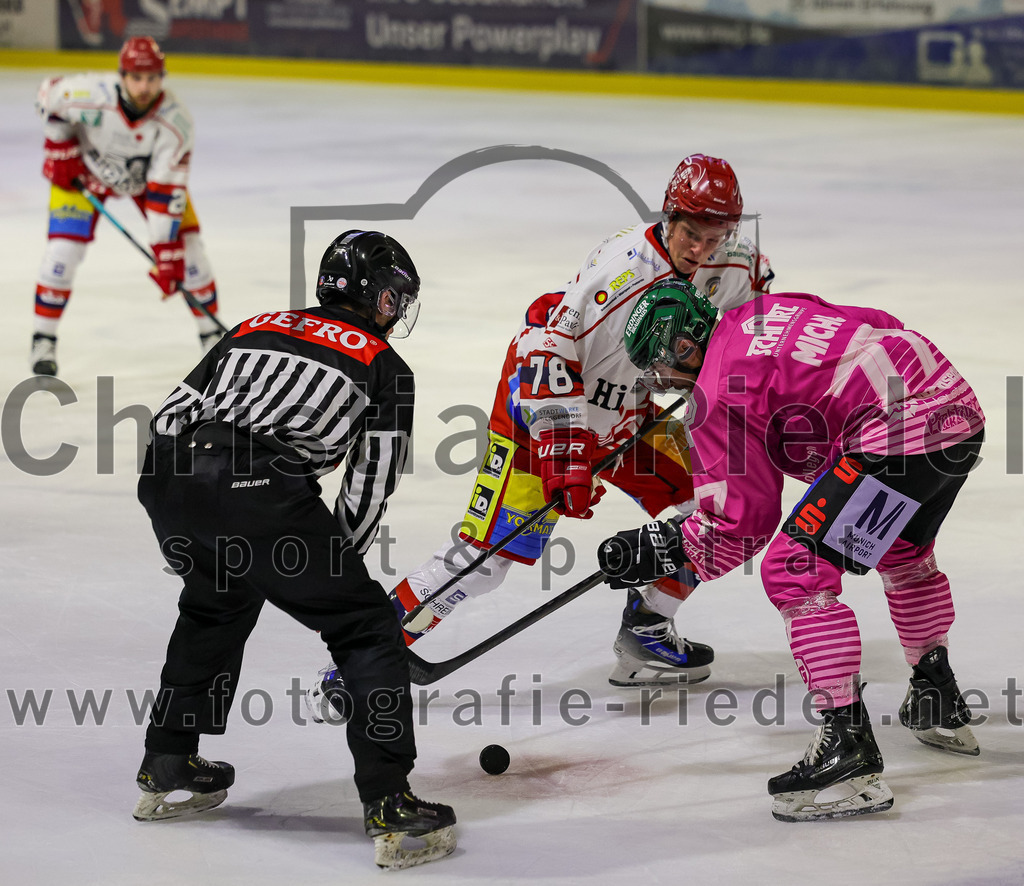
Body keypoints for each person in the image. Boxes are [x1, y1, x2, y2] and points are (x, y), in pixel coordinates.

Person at [305, 154, 773, 718]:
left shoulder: (736, 265)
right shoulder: (622, 269)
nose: (700, 250)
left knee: (720, 508)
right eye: (690, 233)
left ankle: (648, 626)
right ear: (668, 215)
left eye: (715, 236)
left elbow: (754, 325)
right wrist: (565, 454)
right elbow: (542, 349)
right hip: (542, 418)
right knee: (485, 558)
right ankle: (362, 660)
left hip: (631, 416)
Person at [597, 280, 985, 820]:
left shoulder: (712, 394)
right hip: (954, 412)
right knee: (902, 552)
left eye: (658, 368)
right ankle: (936, 696)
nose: (661, 384)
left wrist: (657, 546)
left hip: (894, 435)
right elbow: (873, 319)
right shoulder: (757, 311)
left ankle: (848, 750)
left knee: (793, 570)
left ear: (684, 346)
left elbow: (741, 528)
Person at [133, 231, 456, 871]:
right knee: (366, 630)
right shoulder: (385, 366)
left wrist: (178, 512)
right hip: (259, 490)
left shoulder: (254, 326)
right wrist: (338, 574)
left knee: (213, 606)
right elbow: (370, 482)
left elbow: (170, 415)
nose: (398, 311)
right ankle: (389, 800)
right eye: (397, 298)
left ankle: (166, 760)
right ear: (379, 296)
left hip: (171, 477)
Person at [30, 36, 221, 377]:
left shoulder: (175, 123)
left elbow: (165, 191)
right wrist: (58, 147)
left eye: (152, 78)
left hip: (145, 183)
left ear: (162, 78)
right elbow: (49, 96)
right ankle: (43, 339)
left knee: (189, 251)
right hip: (85, 175)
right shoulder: (90, 94)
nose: (144, 87)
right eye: (136, 77)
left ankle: (211, 336)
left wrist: (165, 253)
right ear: (122, 76)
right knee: (62, 252)